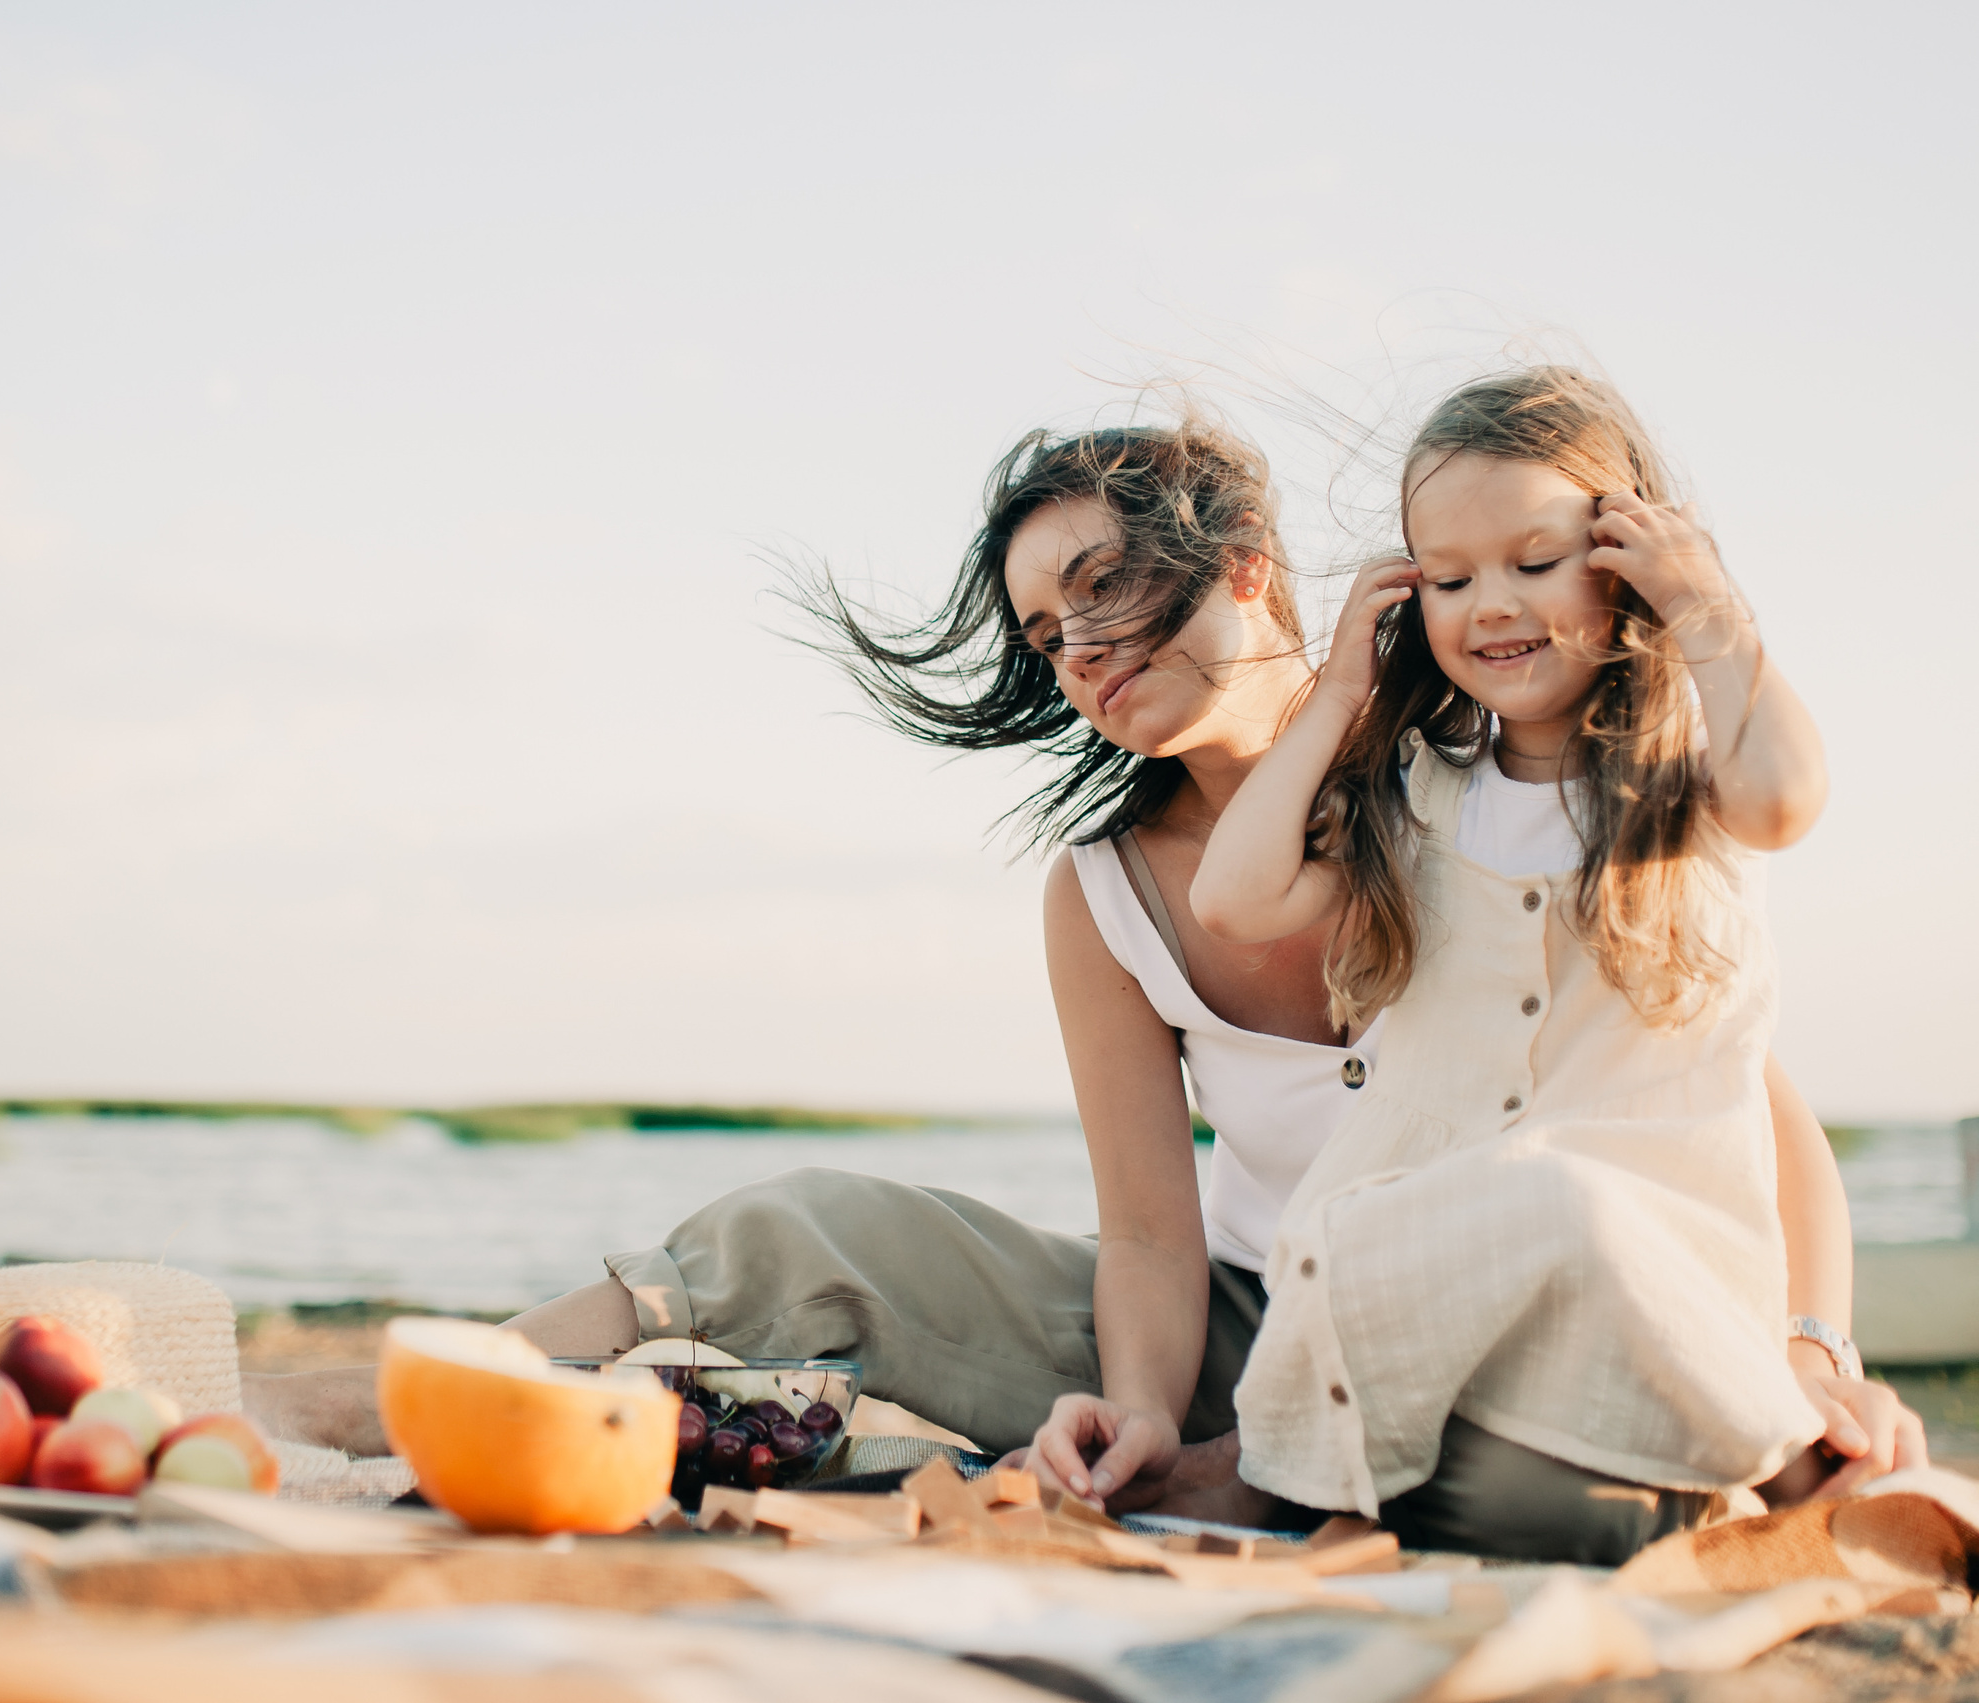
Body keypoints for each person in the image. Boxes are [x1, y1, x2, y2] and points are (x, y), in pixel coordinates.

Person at [246, 411, 1923, 1559]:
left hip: (1506, 1313)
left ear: (1250, 565)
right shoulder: (1108, 890)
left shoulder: (1477, 782)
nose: (1084, 650)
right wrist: (1128, 1411)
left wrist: (1814, 1337)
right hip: (1254, 1333)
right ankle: (395, 1405)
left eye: (1108, 587)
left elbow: (1732, 1092)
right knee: (812, 1227)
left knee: (1549, 1446)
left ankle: (1338, 1478)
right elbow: (1147, 1229)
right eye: (1050, 631)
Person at [1186, 367, 1884, 1542]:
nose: (1490, 604)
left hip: (1630, 1273)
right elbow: (1233, 894)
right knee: (1505, 1463)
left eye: (1535, 560)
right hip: (1425, 1266)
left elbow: (1787, 795)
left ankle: (1735, 1457)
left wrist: (1707, 605)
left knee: (1566, 1209)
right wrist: (1340, 693)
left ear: (1628, 551)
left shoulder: (1688, 785)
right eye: (1449, 579)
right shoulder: (1420, 795)